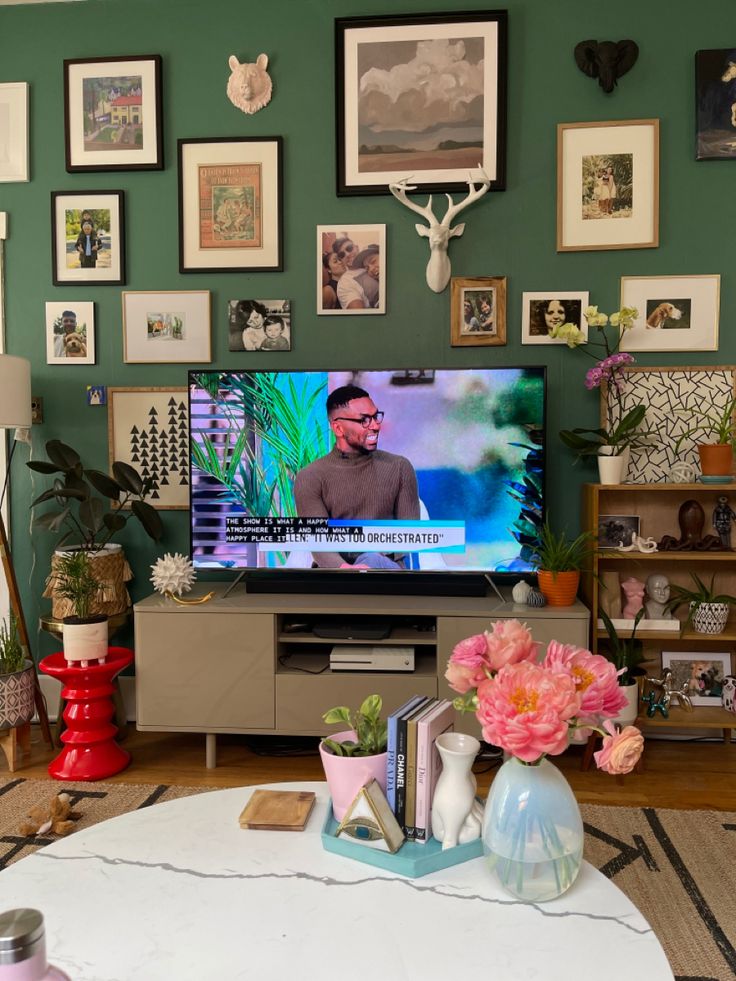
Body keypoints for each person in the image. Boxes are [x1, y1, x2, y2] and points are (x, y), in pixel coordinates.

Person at [294, 384, 420, 569]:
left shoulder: (399, 468)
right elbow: (318, 543)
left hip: (389, 574)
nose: (376, 426)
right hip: (337, 577)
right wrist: (347, 570)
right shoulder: (310, 477)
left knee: (371, 560)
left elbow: (411, 540)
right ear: (338, 428)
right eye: (364, 420)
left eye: (375, 417)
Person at [336, 244, 380, 309]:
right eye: (341, 255)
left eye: (349, 248)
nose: (347, 254)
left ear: (356, 247)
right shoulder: (345, 282)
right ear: (340, 260)